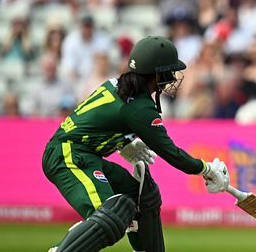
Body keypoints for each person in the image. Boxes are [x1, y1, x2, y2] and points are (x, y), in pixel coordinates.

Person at [42, 36, 231, 252]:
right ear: (157, 73)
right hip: (68, 156)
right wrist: (205, 169)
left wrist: (123, 143)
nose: (172, 77)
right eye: (169, 71)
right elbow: (171, 153)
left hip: (84, 155)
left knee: (143, 195)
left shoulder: (118, 85)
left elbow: (99, 121)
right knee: (110, 215)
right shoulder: (140, 108)